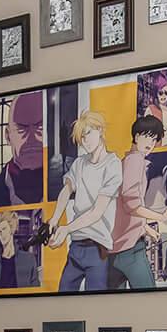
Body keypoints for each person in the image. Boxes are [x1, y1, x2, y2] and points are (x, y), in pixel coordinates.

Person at [46, 110, 122, 292]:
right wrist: (55, 219)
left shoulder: (113, 164)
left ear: (100, 130)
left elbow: (97, 211)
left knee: (96, 304)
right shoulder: (79, 163)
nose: (85, 140)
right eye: (82, 136)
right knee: (63, 296)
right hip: (76, 247)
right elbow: (66, 190)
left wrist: (66, 228)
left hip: (98, 247)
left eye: (88, 133)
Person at [106, 114, 167, 290]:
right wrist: (161, 216)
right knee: (150, 301)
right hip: (130, 250)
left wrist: (146, 228)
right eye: (147, 136)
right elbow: (131, 205)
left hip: (114, 250)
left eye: (155, 139)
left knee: (114, 309)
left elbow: (122, 207)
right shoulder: (135, 160)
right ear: (136, 136)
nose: (151, 143)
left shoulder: (125, 162)